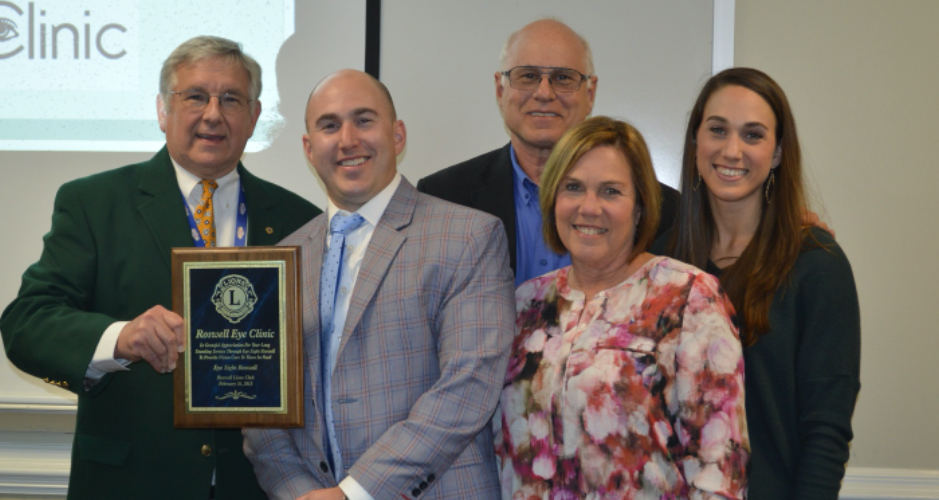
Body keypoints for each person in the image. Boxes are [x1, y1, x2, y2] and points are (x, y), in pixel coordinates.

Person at [0, 36, 320, 500]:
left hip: (255, 486)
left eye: (231, 99)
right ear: (162, 110)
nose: (213, 113)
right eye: (194, 96)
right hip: (131, 482)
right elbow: (26, 324)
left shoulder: (299, 219)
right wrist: (119, 337)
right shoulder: (94, 203)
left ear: (253, 117)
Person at [242, 70, 515, 500]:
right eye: (330, 125)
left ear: (398, 135)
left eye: (364, 120)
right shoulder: (281, 259)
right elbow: (261, 412)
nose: (348, 139)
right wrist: (297, 492)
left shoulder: (469, 236)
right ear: (309, 149)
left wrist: (355, 492)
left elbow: (469, 386)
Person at [497, 116, 749, 498]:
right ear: (553, 199)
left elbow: (719, 468)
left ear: (641, 207)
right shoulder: (525, 304)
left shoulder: (689, 297)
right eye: (573, 187)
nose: (589, 207)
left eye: (611, 191)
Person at [656, 67, 861, 498]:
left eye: (753, 135)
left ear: (779, 152)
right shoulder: (658, 264)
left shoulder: (816, 266)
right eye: (717, 130)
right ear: (696, 143)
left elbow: (826, 433)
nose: (732, 150)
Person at [417, 19, 681, 286]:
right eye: (528, 76)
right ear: (500, 90)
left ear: (590, 93)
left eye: (563, 78)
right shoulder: (442, 198)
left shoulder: (667, 211)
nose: (544, 93)